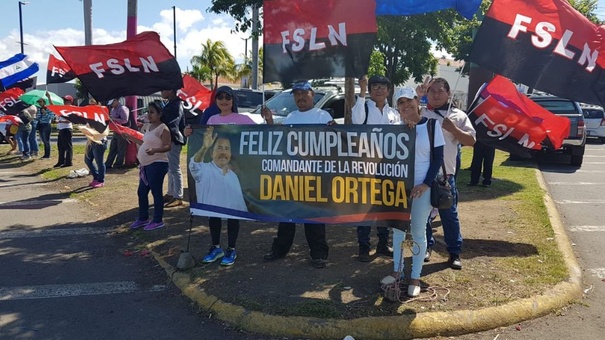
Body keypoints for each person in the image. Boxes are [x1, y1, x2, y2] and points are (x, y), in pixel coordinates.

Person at [380, 87, 445, 297]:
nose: (405, 106)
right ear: (397, 107)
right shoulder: (396, 129)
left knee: (418, 232)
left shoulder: (433, 126)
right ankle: (397, 271)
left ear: (417, 101)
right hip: (400, 189)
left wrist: (425, 184)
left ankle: (415, 276)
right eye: (401, 103)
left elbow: (437, 159)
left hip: (421, 189)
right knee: (397, 231)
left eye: (409, 101)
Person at [261, 81, 333, 269]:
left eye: (304, 94)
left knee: (314, 218)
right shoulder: (291, 116)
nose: (300, 98)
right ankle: (280, 249)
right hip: (292, 175)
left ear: (312, 94)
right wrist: (269, 121)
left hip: (314, 176)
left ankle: (319, 254)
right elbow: (280, 140)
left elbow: (333, 142)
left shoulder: (322, 115)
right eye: (297, 94)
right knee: (286, 216)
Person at [186, 86, 254, 266]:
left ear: (233, 100)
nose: (224, 100)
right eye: (220, 97)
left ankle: (231, 249)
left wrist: (269, 120)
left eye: (228, 97)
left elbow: (262, 135)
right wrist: (190, 133)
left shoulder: (243, 119)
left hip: (233, 174)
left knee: (233, 213)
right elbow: (199, 147)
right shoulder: (211, 119)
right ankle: (216, 247)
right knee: (213, 212)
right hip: (213, 174)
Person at [416, 77, 476, 270]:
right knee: (422, 216)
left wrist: (454, 129)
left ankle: (454, 252)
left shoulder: (458, 115)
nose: (435, 94)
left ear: (448, 94)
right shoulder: (421, 113)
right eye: (431, 91)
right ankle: (426, 247)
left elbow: (471, 141)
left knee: (449, 215)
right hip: (422, 175)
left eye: (440, 91)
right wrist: (417, 97)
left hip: (444, 176)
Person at [351, 75, 401, 262]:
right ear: (370, 90)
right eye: (375, 87)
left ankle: (383, 243)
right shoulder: (362, 106)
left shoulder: (394, 114)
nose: (379, 90)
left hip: (388, 167)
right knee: (365, 208)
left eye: (382, 87)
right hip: (366, 166)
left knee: (384, 206)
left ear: (388, 90)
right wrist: (361, 93)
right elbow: (356, 121)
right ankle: (364, 247)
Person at [126, 102, 171, 231]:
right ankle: (143, 218)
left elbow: (168, 146)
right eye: (148, 112)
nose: (149, 114)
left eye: (152, 112)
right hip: (145, 165)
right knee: (141, 192)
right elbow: (144, 143)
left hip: (157, 164)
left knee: (156, 193)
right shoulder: (148, 127)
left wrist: (155, 150)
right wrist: (130, 138)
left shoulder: (163, 128)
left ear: (159, 114)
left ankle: (158, 220)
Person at [160, 89, 186, 208]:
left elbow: (172, 123)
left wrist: (158, 120)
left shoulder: (175, 104)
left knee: (174, 168)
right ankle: (171, 193)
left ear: (170, 91)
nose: (161, 92)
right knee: (171, 168)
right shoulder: (173, 103)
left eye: (163, 90)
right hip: (171, 139)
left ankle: (178, 196)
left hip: (174, 139)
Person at [82, 99, 108, 189]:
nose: (91, 106)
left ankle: (101, 180)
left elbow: (102, 129)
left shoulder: (101, 115)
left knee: (99, 162)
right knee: (87, 160)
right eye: (90, 104)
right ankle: (96, 177)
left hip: (100, 142)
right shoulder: (89, 115)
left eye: (93, 104)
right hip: (91, 141)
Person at [105, 98, 130, 169]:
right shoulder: (113, 110)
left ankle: (118, 165)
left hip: (122, 131)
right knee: (112, 148)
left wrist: (113, 119)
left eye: (112, 103)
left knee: (121, 149)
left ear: (116, 101)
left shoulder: (123, 109)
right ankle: (108, 164)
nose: (111, 105)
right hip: (115, 131)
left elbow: (125, 120)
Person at [54, 95, 74, 168]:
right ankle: (61, 161)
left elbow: (70, 120)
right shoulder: (62, 109)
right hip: (61, 129)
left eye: (66, 101)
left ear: (70, 102)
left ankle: (68, 161)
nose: (64, 102)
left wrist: (59, 121)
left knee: (68, 146)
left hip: (67, 129)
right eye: (64, 100)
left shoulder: (70, 109)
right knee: (60, 146)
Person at [36, 93, 55, 159]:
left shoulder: (48, 108)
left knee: (46, 140)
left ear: (44, 101)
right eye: (38, 102)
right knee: (43, 140)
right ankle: (45, 154)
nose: (39, 103)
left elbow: (51, 117)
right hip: (41, 125)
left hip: (46, 125)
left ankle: (48, 155)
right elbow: (38, 117)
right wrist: (38, 116)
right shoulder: (39, 109)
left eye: (40, 101)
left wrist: (45, 113)